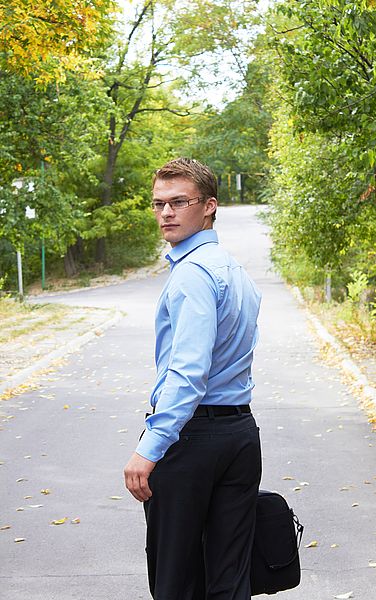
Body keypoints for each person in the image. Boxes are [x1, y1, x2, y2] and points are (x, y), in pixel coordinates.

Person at [124, 157, 262, 600]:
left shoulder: (192, 275)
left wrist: (150, 448)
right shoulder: (233, 269)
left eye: (179, 202)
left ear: (209, 206)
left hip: (193, 437)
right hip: (240, 435)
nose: (166, 212)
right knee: (229, 579)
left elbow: (188, 372)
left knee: (176, 582)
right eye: (158, 203)